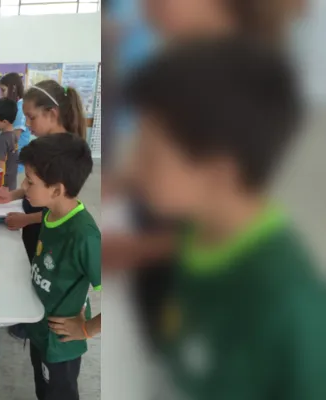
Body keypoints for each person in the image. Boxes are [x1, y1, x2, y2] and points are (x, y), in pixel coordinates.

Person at [125, 37, 326, 399]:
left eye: (151, 155)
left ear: (218, 173)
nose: (135, 169)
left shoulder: (290, 307)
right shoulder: (199, 228)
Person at [0, 80, 88, 339]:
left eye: (32, 118)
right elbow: (36, 183)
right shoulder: (47, 145)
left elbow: (62, 208)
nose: (29, 125)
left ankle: (36, 320)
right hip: (35, 220)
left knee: (48, 269)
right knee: (36, 266)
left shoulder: (68, 151)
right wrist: (13, 194)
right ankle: (30, 315)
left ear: (51, 114)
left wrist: (27, 219)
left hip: (43, 224)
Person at [18, 133, 101, 400]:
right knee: (43, 389)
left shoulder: (84, 235)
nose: (24, 185)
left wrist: (86, 328)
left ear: (56, 189)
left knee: (59, 393)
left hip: (61, 342)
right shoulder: (49, 212)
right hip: (40, 328)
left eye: (30, 181)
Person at [0, 72, 30, 172]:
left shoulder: (20, 109)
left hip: (15, 162)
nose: (1, 94)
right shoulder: (13, 107)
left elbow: (14, 139)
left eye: (3, 90)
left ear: (14, 89)